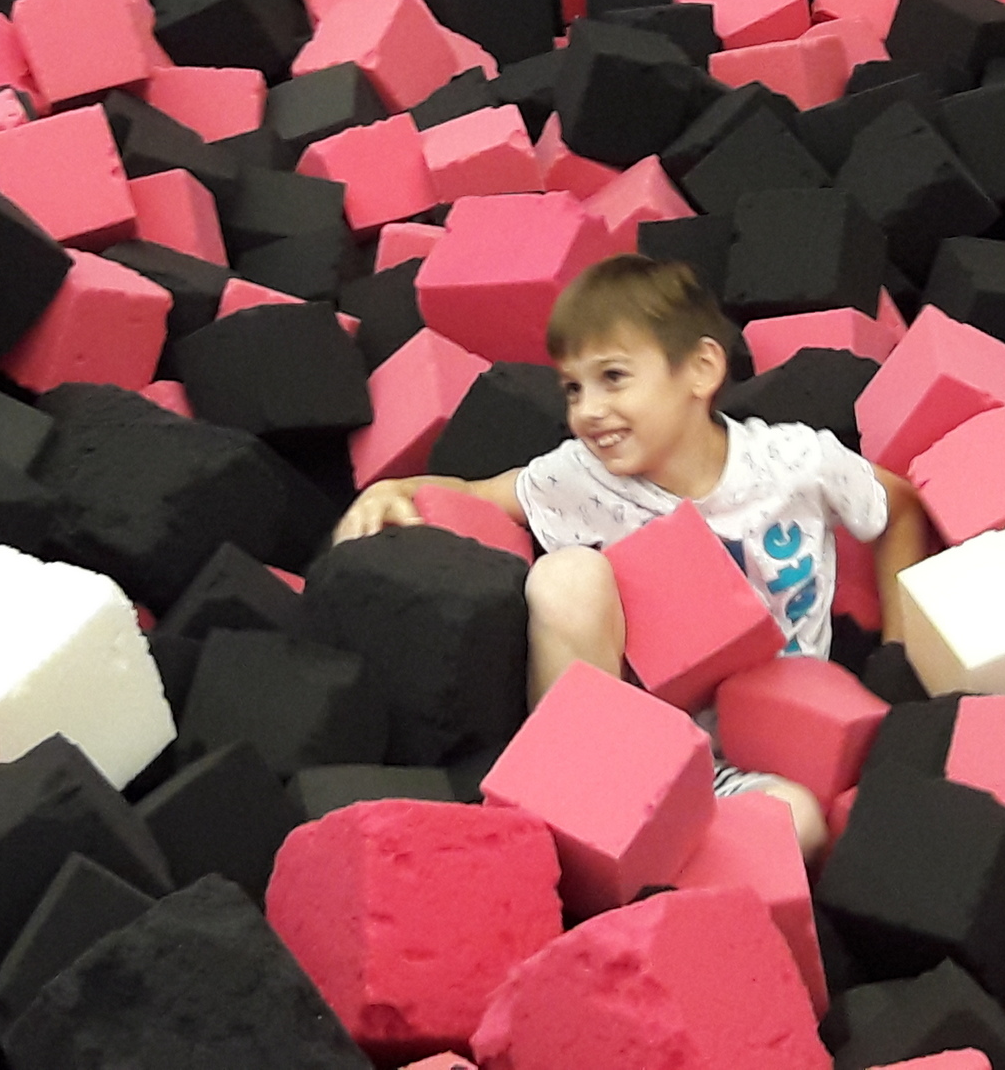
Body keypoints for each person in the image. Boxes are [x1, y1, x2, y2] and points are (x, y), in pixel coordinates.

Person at [333, 253, 931, 858]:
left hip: (764, 757)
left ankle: (653, 878)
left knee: (797, 824)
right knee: (568, 575)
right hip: (638, 754)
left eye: (613, 377)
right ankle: (577, 808)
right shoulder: (581, 476)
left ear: (700, 369)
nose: (588, 411)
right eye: (573, 388)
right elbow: (474, 493)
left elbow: (902, 507)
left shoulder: (796, 464)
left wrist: (898, 653)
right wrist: (390, 490)